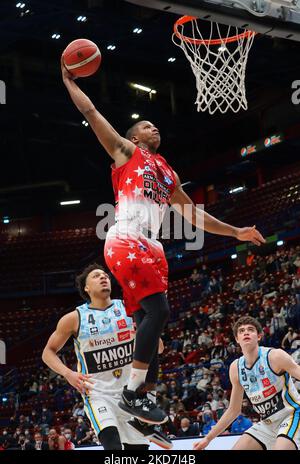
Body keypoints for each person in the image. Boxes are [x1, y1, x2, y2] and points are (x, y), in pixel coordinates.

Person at [60, 56, 265, 424]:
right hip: (125, 237)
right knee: (160, 311)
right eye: (146, 125)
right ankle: (132, 391)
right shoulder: (127, 153)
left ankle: (142, 394)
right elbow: (92, 113)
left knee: (147, 323)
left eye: (156, 125)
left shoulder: (168, 172)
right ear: (135, 137)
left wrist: (236, 232)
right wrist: (71, 83)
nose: (154, 128)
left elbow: (194, 214)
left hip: (151, 246)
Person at [42, 264, 171, 450]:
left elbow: (158, 349)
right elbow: (48, 352)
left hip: (132, 396)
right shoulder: (74, 318)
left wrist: (145, 331)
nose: (103, 278)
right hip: (98, 393)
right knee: (113, 446)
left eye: (105, 276)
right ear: (86, 288)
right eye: (96, 276)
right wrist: (68, 373)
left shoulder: (130, 308)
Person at [194, 316, 300, 450]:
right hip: (267, 423)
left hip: (292, 415)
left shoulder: (275, 356)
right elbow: (233, 409)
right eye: (241, 331)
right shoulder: (235, 368)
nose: (246, 332)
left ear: (259, 336)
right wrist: (208, 439)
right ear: (237, 339)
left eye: (250, 330)